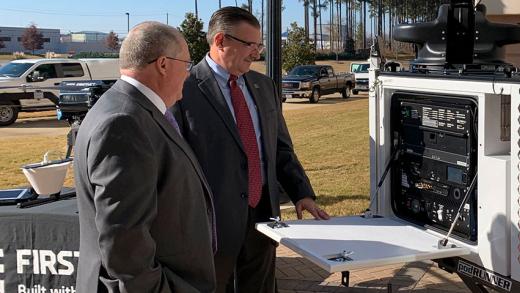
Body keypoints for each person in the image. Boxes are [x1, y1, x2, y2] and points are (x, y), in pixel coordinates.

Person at [171, 7, 331, 292]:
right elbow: (174, 164)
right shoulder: (183, 89)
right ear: (220, 40)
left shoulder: (263, 85)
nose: (257, 53)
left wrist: (301, 193)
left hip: (263, 217)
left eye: (259, 45)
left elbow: (280, 148)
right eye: (250, 45)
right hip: (211, 226)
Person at [74, 21, 216, 292]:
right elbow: (125, 244)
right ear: (163, 64)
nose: (188, 74)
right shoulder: (123, 122)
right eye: (185, 65)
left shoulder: (132, 110)